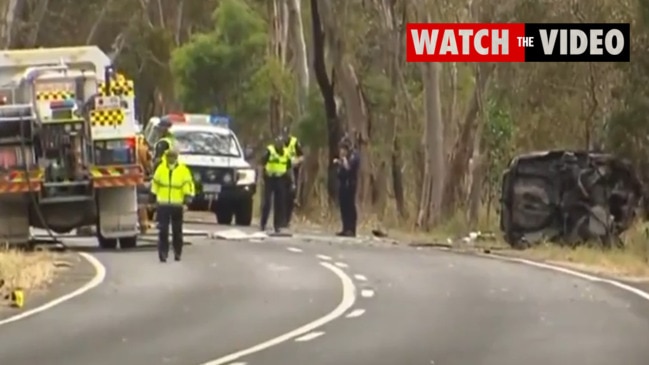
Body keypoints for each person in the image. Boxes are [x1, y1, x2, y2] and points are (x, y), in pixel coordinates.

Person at [150, 148, 195, 262]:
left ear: (176, 158)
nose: (171, 159)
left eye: (173, 157)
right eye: (169, 157)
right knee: (163, 230)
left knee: (177, 231)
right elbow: (155, 184)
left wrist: (187, 199)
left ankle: (177, 252)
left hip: (177, 205)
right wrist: (153, 198)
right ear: (167, 157)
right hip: (163, 204)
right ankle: (163, 253)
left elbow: (187, 185)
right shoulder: (161, 169)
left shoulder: (183, 170)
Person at [260, 135, 292, 233]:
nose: (280, 145)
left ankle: (277, 225)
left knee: (280, 203)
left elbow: (288, 167)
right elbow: (262, 163)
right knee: (268, 202)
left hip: (281, 179)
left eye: (281, 144)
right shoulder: (270, 150)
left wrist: (290, 181)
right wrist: (263, 175)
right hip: (270, 178)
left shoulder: (286, 152)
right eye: (278, 143)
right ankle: (263, 223)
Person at [333, 138, 360, 237]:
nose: (341, 151)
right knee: (343, 206)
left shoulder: (354, 156)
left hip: (350, 184)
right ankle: (345, 228)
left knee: (350, 206)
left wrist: (343, 161)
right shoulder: (344, 157)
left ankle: (351, 229)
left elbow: (349, 168)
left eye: (343, 149)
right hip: (343, 183)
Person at [283, 127, 304, 228]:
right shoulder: (279, 144)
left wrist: (296, 161)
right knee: (281, 196)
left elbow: (302, 157)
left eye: (286, 134)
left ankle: (287, 220)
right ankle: (280, 219)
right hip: (281, 172)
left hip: (293, 173)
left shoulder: (295, 142)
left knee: (290, 197)